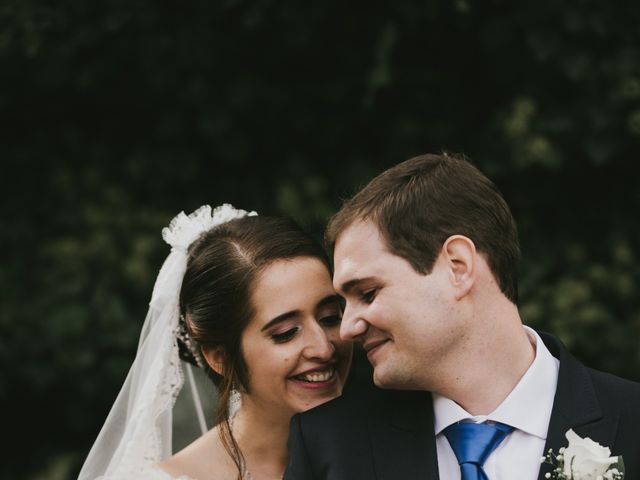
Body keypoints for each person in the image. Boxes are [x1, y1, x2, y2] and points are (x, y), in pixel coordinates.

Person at [284, 154, 640, 480]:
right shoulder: (331, 447)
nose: (348, 329)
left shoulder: (631, 420)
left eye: (368, 293)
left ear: (457, 266)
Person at [79, 204, 352, 480]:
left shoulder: (381, 444)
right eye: (285, 333)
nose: (324, 348)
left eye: (330, 317)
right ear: (219, 357)